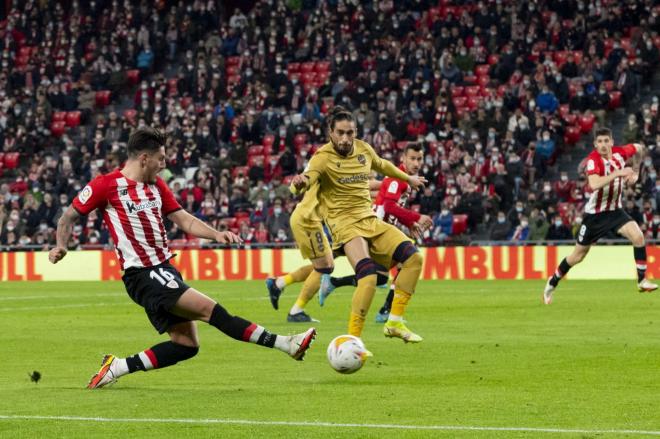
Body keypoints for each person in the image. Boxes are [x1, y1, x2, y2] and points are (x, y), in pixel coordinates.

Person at [48, 128, 316, 389]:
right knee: (214, 312)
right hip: (142, 274)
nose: (165, 163)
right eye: (161, 158)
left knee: (186, 345)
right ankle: (285, 344)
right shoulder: (106, 185)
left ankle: (117, 367)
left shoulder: (156, 186)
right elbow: (68, 216)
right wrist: (61, 245)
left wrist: (216, 234)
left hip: (164, 270)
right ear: (144, 159)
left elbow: (183, 218)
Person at [291, 106, 427, 345]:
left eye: (350, 133)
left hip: (369, 219)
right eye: (340, 133)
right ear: (330, 132)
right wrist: (299, 183)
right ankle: (352, 340)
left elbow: (383, 165)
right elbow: (307, 178)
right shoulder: (322, 157)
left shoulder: (363, 149)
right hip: (343, 225)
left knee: (414, 259)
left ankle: (394, 321)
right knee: (369, 277)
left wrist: (408, 178)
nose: (345, 138)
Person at [317, 143, 433, 323]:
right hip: (376, 231)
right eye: (412, 158)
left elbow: (393, 207)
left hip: (379, 230)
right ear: (403, 158)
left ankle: (333, 283)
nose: (416, 163)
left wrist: (409, 222)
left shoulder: (404, 180)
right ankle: (387, 312)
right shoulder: (397, 179)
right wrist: (416, 217)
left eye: (419, 159)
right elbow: (389, 206)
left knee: (378, 278)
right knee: (407, 261)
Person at [543, 128, 658, 304]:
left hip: (614, 211)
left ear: (612, 142)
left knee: (638, 236)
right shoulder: (593, 160)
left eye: (606, 141)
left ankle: (642, 280)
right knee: (578, 256)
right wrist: (619, 173)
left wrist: (634, 170)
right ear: (595, 144)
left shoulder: (620, 153)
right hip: (594, 216)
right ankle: (552, 282)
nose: (603, 145)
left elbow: (639, 148)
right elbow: (595, 184)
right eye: (600, 142)